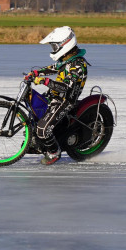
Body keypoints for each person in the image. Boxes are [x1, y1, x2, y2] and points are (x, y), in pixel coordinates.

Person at [23, 25, 89, 165]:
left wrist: (45, 81)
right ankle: (37, 143)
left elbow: (66, 87)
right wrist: (36, 73)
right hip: (54, 96)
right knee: (34, 112)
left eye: (54, 46)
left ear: (65, 44)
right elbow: (53, 68)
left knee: (43, 129)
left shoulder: (78, 65)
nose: (53, 49)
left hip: (65, 100)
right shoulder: (67, 59)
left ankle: (54, 152)